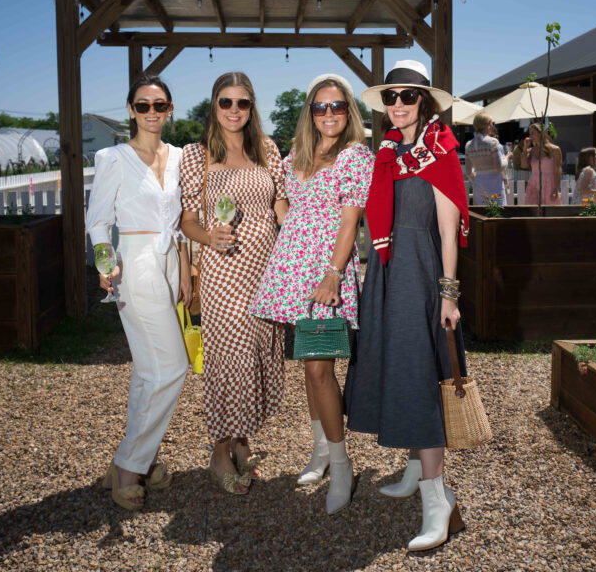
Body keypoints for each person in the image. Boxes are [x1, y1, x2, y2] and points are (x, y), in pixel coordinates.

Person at [345, 59, 470, 553]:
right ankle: (417, 468)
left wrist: (448, 294)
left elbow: (449, 232)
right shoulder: (389, 152)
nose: (398, 104)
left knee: (419, 376)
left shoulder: (440, 151)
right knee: (399, 370)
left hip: (420, 274)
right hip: (387, 272)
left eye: (408, 96)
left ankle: (438, 501)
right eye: (390, 97)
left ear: (426, 102)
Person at [250, 73, 373, 513]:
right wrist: (288, 226)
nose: (329, 114)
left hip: (325, 273)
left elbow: (350, 222)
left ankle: (341, 465)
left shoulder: (355, 156)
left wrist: (333, 275)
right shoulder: (298, 154)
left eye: (337, 106)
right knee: (309, 365)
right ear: (310, 112)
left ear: (348, 110)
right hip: (292, 270)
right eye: (320, 107)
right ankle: (321, 451)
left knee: (321, 370)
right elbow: (284, 203)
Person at [180, 72, 289, 495]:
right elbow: (189, 220)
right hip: (224, 271)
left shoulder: (267, 149)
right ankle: (220, 452)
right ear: (214, 105)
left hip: (265, 268)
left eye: (242, 102)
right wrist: (209, 237)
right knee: (231, 357)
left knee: (257, 352)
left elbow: (280, 203)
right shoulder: (197, 155)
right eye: (225, 102)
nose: (233, 110)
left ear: (251, 107)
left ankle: (242, 442)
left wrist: (297, 235)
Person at [85, 74, 191, 510]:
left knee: (149, 370)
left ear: (170, 110)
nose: (151, 112)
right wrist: (105, 263)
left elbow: (182, 221)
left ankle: (138, 461)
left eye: (159, 105)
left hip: (171, 262)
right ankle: (130, 465)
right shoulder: (112, 157)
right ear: (130, 110)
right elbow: (97, 221)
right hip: (136, 261)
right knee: (173, 367)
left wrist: (186, 272)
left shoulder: (182, 156)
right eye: (143, 105)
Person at [464, 112, 507, 206]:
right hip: (494, 184)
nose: (493, 126)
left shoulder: (468, 145)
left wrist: (477, 180)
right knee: (498, 212)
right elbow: (499, 167)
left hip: (479, 184)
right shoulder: (492, 142)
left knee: (482, 212)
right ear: (488, 124)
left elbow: (468, 172)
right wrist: (506, 158)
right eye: (492, 123)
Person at [520, 121, 563, 205]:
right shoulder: (532, 151)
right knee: (533, 211)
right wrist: (525, 148)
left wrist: (555, 188)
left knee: (550, 210)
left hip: (549, 184)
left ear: (541, 134)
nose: (530, 136)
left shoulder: (555, 149)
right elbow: (524, 165)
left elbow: (557, 170)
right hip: (534, 184)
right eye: (530, 134)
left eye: (533, 133)